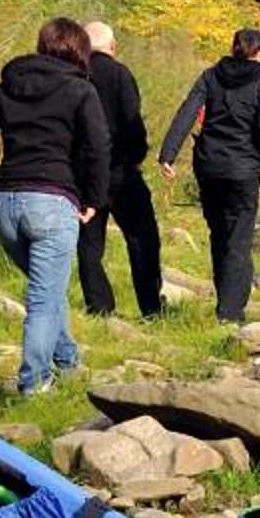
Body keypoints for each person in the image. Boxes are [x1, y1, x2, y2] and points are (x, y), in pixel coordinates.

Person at [0, 17, 108, 396]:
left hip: (6, 206)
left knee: (47, 288)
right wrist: (94, 198)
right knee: (43, 297)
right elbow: (98, 147)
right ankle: (35, 382)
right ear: (81, 52)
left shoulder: (9, 86)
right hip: (52, 204)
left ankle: (68, 362)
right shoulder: (81, 90)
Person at [157, 27, 260, 326]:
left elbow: (187, 111)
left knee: (219, 234)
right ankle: (230, 314)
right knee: (238, 239)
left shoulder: (211, 75)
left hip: (209, 167)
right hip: (243, 169)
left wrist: (168, 153)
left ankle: (227, 302)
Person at [76, 19, 161, 320]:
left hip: (84, 172)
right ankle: (150, 306)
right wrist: (137, 155)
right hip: (121, 171)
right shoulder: (120, 74)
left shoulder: (74, 75)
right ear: (113, 46)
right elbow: (131, 120)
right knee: (143, 238)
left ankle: (99, 306)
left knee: (89, 243)